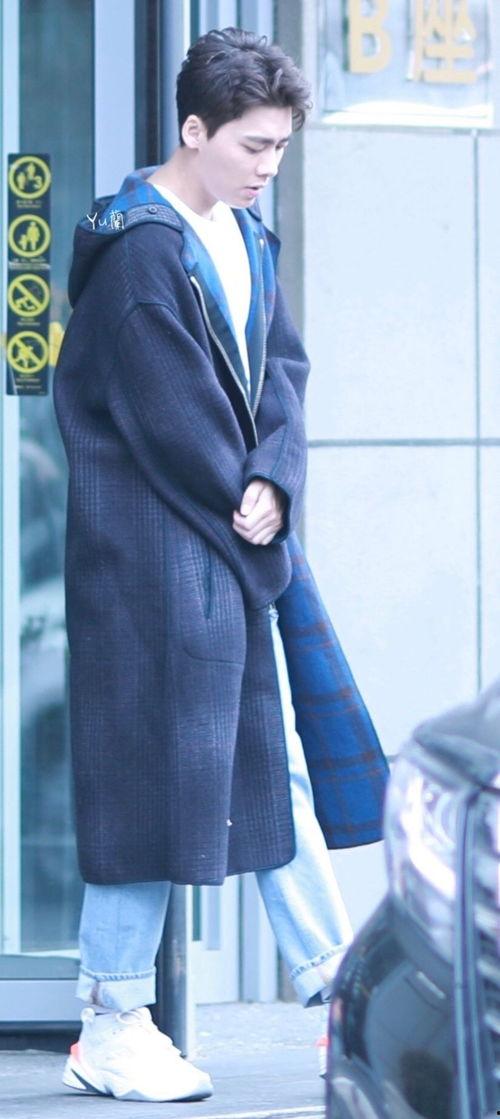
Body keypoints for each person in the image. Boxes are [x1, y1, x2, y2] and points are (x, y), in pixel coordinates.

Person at [54, 27, 389, 1104]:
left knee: (265, 767)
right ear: (192, 130)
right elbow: (168, 416)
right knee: (156, 785)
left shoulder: (243, 232)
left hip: (222, 543)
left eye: (280, 147)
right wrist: (246, 497)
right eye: (252, 145)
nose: (266, 167)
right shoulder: (139, 252)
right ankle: (114, 1019)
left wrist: (274, 480)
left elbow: (280, 369)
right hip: (148, 561)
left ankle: (339, 994)